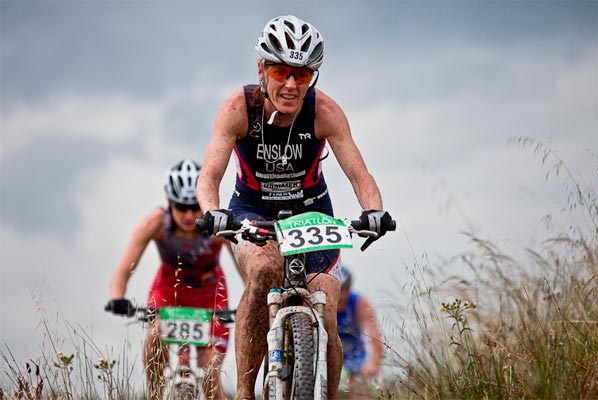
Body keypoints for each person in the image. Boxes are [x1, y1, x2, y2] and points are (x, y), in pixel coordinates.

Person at [196, 15, 394, 399]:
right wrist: (211, 211)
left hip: (312, 212)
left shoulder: (325, 113)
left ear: (312, 78)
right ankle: (244, 393)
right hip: (252, 210)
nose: (290, 85)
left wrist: (374, 211)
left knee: (325, 306)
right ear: (261, 69)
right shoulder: (238, 108)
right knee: (265, 270)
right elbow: (210, 175)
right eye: (281, 72)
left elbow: (359, 173)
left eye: (301, 76)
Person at [106, 159, 236, 400]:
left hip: (211, 293)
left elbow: (244, 269)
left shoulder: (216, 227)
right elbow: (125, 268)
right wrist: (117, 297)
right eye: (180, 207)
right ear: (169, 203)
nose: (188, 215)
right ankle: (155, 395)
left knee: (210, 377)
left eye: (194, 207)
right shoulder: (155, 224)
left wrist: (255, 298)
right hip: (169, 290)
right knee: (155, 336)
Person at [337, 266, 383, 398]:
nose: (340, 295)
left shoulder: (358, 303)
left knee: (360, 393)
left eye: (344, 290)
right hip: (328, 358)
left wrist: (374, 364)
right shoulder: (322, 302)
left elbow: (374, 337)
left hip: (354, 360)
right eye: (337, 290)